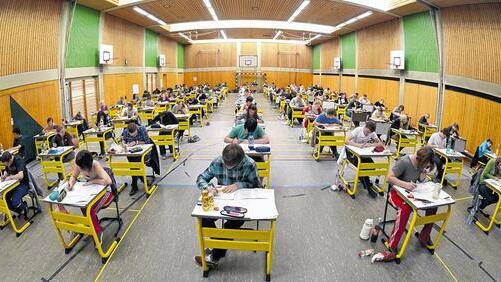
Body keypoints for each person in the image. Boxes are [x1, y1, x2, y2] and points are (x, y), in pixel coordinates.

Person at [194, 144, 261, 269]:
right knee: (204, 218)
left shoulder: (250, 164)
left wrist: (239, 185)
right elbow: (201, 178)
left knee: (231, 224)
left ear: (241, 161)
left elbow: (257, 187)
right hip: (222, 200)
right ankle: (218, 248)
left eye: (232, 167)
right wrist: (208, 187)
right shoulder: (218, 162)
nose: (228, 168)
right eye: (226, 165)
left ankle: (215, 255)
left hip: (243, 203)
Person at [378, 146, 437, 261]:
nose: (424, 167)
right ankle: (392, 245)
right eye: (425, 165)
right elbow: (389, 178)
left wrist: (424, 173)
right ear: (420, 159)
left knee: (433, 207)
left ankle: (424, 237)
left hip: (410, 193)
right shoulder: (404, 162)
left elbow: (420, 180)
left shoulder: (421, 163)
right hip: (395, 193)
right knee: (405, 209)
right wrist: (405, 184)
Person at [67, 150, 113, 241]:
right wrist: (71, 183)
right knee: (82, 205)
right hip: (91, 192)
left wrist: (92, 181)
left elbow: (108, 181)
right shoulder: (79, 165)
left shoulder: (95, 165)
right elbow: (73, 176)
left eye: (82, 167)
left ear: (88, 165)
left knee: (89, 209)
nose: (80, 169)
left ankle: (97, 231)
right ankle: (93, 226)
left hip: (105, 193)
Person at [344, 121, 384, 197]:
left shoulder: (372, 133)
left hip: (363, 154)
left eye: (370, 133)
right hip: (353, 153)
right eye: (367, 132)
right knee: (363, 167)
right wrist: (357, 145)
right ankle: (368, 187)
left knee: (371, 167)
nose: (368, 134)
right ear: (365, 127)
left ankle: (363, 179)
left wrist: (370, 144)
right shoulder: (357, 130)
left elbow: (380, 143)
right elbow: (346, 141)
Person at [121, 122, 151, 195]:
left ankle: (134, 185)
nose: (133, 135)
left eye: (134, 134)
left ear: (137, 129)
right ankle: (143, 180)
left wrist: (136, 142)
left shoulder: (142, 129)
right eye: (131, 134)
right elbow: (124, 139)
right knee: (133, 165)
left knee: (134, 166)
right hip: (132, 153)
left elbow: (147, 142)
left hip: (144, 153)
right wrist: (124, 144)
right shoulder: (125, 131)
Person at [1, 151, 30, 218]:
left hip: (23, 184)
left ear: (10, 159)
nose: (7, 166)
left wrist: (10, 177)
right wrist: (4, 176)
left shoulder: (18, 160)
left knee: (15, 201)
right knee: (4, 198)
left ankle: (24, 207)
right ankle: (20, 210)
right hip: (13, 185)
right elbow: (6, 170)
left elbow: (21, 176)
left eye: (7, 164)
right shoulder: (8, 162)